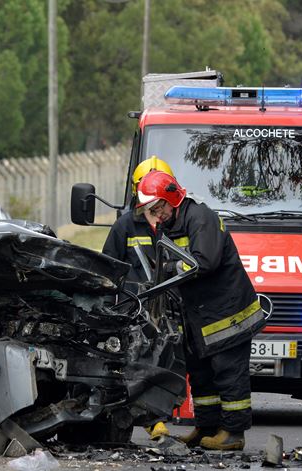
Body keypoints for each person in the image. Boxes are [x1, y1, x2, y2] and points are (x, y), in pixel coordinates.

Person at [135, 171, 265, 450]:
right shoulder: (170, 223)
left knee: (229, 374)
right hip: (199, 315)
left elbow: (203, 262)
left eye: (158, 208)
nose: (157, 215)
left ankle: (233, 433)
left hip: (227, 315)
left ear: (171, 198)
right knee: (201, 373)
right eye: (152, 211)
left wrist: (169, 269)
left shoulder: (200, 217)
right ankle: (206, 427)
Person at [102, 156, 175, 441]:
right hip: (135, 309)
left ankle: (166, 411)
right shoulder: (125, 226)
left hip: (169, 307)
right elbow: (108, 268)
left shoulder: (174, 223)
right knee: (140, 361)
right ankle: (153, 421)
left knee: (168, 360)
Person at [102, 156, 174, 290]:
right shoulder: (124, 226)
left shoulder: (181, 223)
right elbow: (107, 271)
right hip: (135, 302)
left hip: (175, 301)